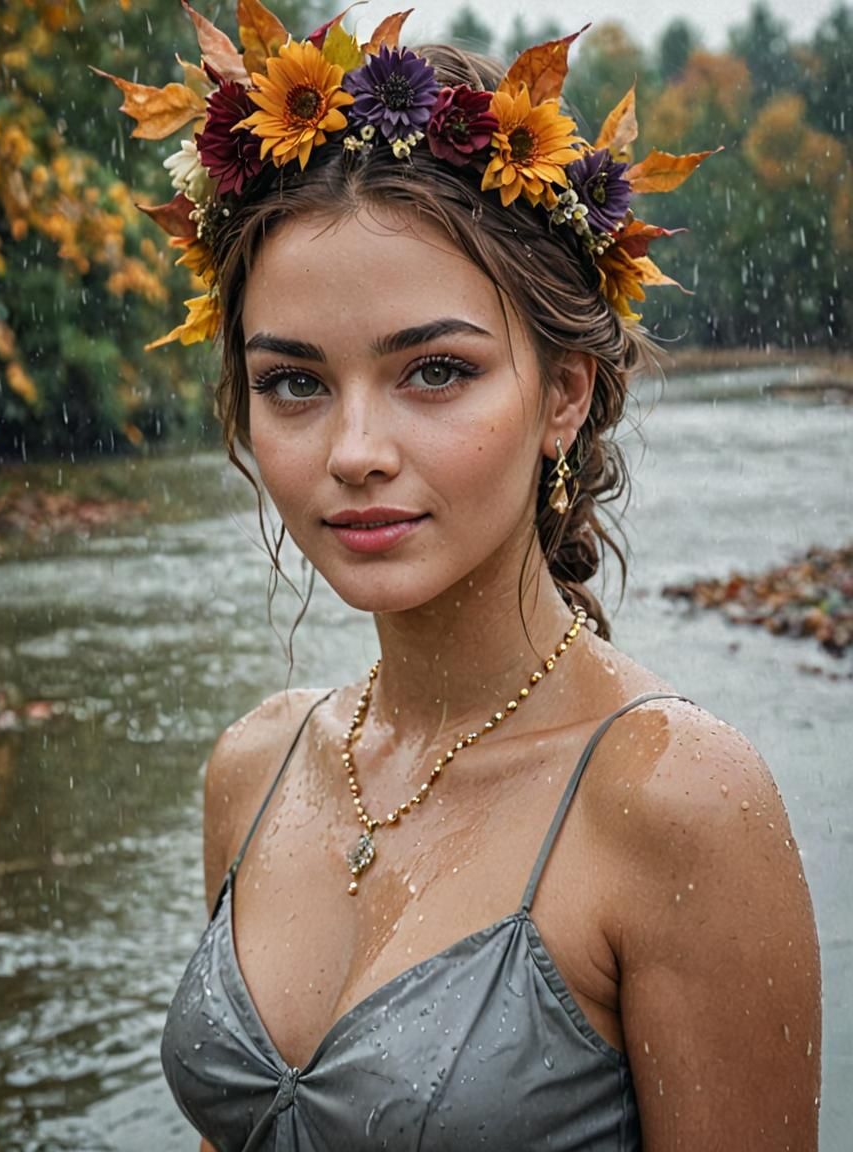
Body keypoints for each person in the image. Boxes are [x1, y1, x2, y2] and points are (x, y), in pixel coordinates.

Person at [107, 6, 821, 1149]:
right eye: (292, 382)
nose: (352, 451)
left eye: (432, 371)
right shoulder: (254, 770)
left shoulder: (677, 802)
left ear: (563, 395)